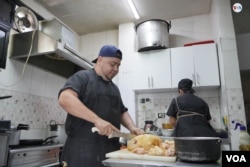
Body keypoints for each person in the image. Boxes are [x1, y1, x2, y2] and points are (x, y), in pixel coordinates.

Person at [58, 45, 144, 167]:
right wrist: (97, 120)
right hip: (81, 152)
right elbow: (65, 98)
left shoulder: (114, 88)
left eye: (118, 65)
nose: (116, 69)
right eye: (112, 64)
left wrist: (132, 127)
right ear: (100, 60)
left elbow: (122, 111)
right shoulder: (82, 77)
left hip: (110, 151)